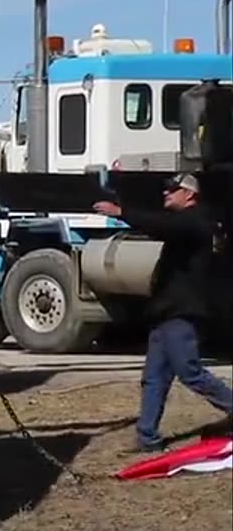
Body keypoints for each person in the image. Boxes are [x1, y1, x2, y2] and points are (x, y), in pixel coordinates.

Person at [93, 172, 233, 452]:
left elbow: (163, 227)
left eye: (173, 189)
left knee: (189, 371)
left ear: (190, 195)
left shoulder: (196, 222)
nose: (166, 193)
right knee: (154, 376)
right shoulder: (186, 223)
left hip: (182, 313)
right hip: (165, 313)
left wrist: (123, 213)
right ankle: (148, 438)